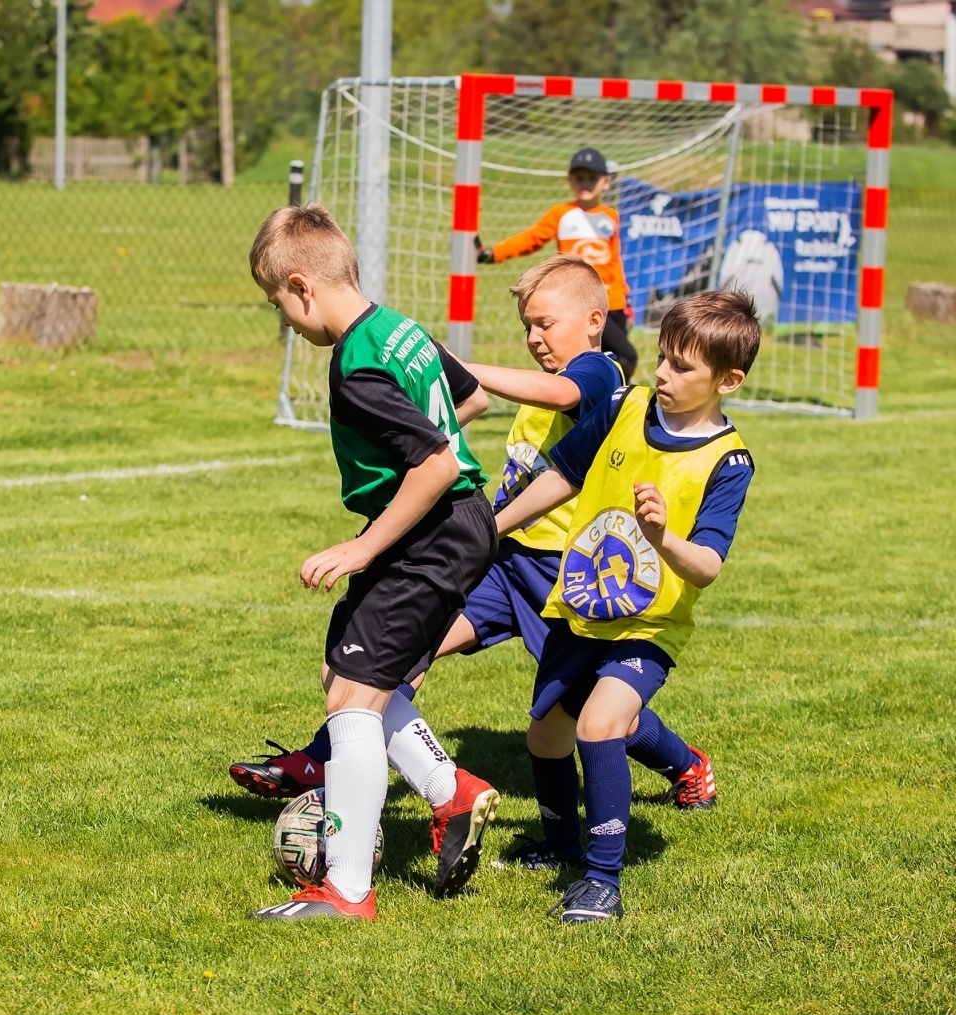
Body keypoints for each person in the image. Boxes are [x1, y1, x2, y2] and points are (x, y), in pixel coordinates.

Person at [231, 256, 716, 867]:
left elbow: (561, 393)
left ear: (595, 321)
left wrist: (450, 363)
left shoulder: (598, 372)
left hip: (559, 574)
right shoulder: (557, 373)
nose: (535, 339)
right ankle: (326, 754)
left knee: (592, 704)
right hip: (504, 562)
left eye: (546, 324)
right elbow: (473, 410)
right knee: (409, 646)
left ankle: (686, 764)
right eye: (527, 328)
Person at [245, 204, 500, 921]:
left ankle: (347, 889)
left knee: (351, 703)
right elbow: (470, 396)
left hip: (433, 527)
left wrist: (363, 544)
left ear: (302, 286)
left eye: (279, 307)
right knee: (345, 671)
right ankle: (451, 789)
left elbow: (437, 464)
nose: (288, 323)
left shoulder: (355, 368)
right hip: (451, 525)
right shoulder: (399, 328)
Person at [492, 290, 760, 923]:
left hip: (649, 624)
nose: (663, 373)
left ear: (729, 380)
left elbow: (709, 566)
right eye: (663, 357)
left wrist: (665, 537)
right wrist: (494, 527)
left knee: (600, 722)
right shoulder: (623, 404)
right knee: (546, 734)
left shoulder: (728, 461)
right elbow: (563, 473)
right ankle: (559, 848)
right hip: (582, 608)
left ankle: (602, 881)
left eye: (683, 367)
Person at [477, 147, 638, 379]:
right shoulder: (561, 214)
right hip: (579, 300)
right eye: (579, 178)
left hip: (613, 304)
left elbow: (614, 261)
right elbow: (531, 239)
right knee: (624, 357)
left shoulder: (611, 217)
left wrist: (626, 300)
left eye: (592, 178)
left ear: (605, 182)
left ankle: (605, 407)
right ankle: (576, 398)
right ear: (570, 181)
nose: (585, 183)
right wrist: (494, 253)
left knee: (608, 358)